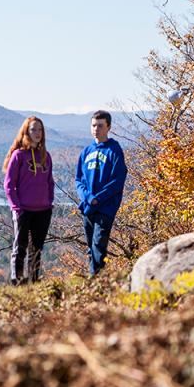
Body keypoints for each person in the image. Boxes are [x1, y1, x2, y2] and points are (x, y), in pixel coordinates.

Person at [3, 116, 54, 285]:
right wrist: (17, 208)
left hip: (43, 210)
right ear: (26, 132)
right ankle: (17, 283)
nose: (37, 133)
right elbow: (9, 185)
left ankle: (34, 282)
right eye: (33, 129)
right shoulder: (18, 156)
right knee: (20, 248)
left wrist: (49, 202)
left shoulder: (45, 156)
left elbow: (49, 182)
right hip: (23, 210)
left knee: (37, 250)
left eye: (40, 130)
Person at [75, 110, 127, 276]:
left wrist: (99, 198)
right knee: (91, 246)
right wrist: (88, 198)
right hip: (89, 206)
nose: (96, 129)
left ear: (108, 127)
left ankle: (95, 280)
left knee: (99, 244)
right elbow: (79, 180)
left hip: (106, 207)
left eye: (100, 125)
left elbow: (117, 181)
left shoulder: (114, 150)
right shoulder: (86, 152)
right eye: (93, 125)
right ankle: (98, 280)